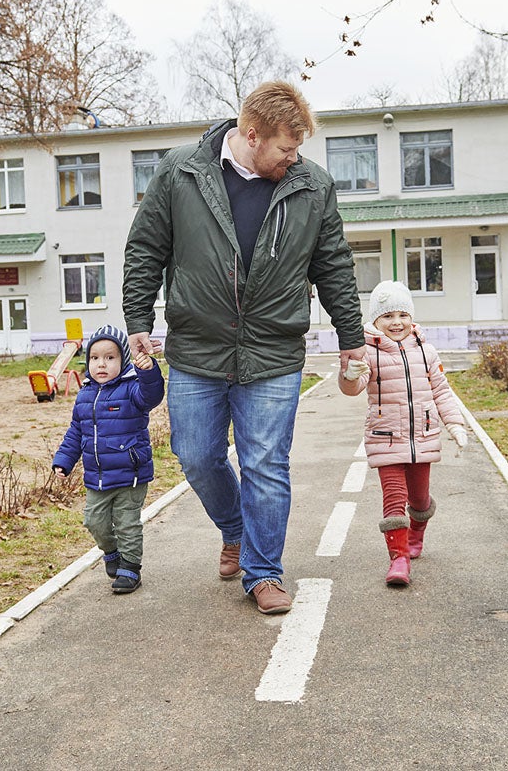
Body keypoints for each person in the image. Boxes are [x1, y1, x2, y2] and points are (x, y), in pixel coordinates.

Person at [123, 80, 366, 615]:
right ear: (251, 134)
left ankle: (263, 572)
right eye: (285, 147)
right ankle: (234, 528)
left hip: (273, 351)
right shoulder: (182, 171)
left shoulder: (311, 186)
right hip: (198, 348)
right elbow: (145, 248)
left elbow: (334, 266)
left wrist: (352, 339)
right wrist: (138, 318)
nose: (293, 157)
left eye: (298, 148)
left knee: (265, 463)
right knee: (197, 455)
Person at [339, 280, 467, 587]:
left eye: (402, 315)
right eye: (387, 317)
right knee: (394, 499)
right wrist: (349, 374)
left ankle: (416, 533)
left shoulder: (426, 351)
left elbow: (442, 391)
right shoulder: (367, 352)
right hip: (385, 437)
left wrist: (456, 424)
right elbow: (352, 389)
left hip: (422, 436)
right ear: (375, 321)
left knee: (420, 500)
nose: (396, 323)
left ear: (411, 317)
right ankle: (398, 558)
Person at [52, 324, 165, 594]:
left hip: (130, 473)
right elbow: (75, 433)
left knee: (127, 523)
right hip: (97, 476)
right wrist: (63, 461)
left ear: (123, 360)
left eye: (110, 358)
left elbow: (153, 396)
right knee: (94, 520)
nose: (101, 364)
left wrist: (147, 371)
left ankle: (130, 568)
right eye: (95, 358)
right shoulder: (85, 395)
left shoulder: (132, 389)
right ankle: (112, 552)